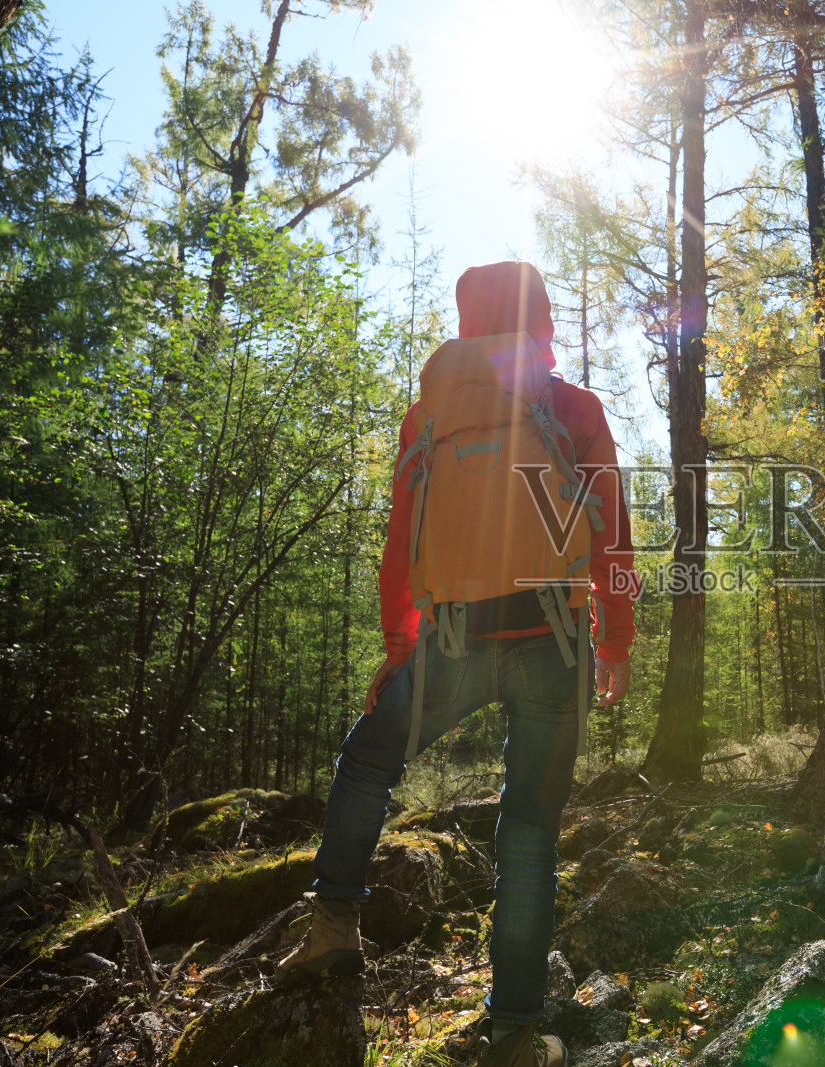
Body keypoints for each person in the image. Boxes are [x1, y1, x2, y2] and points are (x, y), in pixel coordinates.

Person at [277, 261, 636, 1067]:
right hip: (555, 640)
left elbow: (403, 534)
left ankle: (333, 927)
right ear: (543, 321)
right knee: (530, 832)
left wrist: (398, 645)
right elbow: (611, 532)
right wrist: (615, 639)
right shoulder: (573, 405)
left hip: (451, 642)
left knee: (369, 761)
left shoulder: (432, 410)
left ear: (467, 322)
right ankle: (511, 1031)